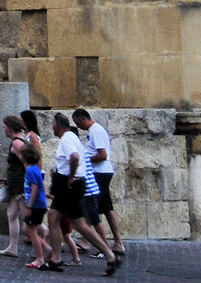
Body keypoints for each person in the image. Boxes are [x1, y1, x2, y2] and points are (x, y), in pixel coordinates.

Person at [44, 112, 119, 274]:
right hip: (64, 185)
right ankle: (55, 260)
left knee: (80, 225)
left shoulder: (67, 138)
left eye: (52, 124)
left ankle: (110, 256)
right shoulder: (70, 137)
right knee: (53, 217)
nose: (52, 127)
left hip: (71, 186)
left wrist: (70, 177)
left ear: (57, 125)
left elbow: (75, 157)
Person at [75, 108, 126, 257]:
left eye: (78, 123)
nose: (78, 127)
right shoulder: (94, 131)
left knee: (89, 206)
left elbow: (103, 155)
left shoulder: (95, 131)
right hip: (103, 172)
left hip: (100, 173)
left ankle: (88, 241)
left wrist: (85, 159)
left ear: (84, 119)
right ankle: (118, 243)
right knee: (107, 208)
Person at [0, 114, 31, 256]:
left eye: (4, 127)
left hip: (20, 186)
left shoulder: (17, 143)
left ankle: (48, 240)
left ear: (10, 128)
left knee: (29, 219)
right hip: (15, 185)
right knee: (12, 214)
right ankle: (12, 247)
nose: (3, 130)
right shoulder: (18, 142)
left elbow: (26, 165)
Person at [21, 143, 51, 268]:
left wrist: (29, 206)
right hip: (39, 204)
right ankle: (46, 248)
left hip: (36, 206)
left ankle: (40, 258)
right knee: (29, 229)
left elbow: (35, 189)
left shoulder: (30, 171)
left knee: (32, 231)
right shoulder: (35, 170)